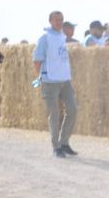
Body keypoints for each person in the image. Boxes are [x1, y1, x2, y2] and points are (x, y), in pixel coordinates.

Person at [33, 11, 78, 158]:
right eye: (56, 20)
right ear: (50, 21)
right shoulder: (45, 38)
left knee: (73, 109)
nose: (59, 22)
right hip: (50, 81)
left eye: (61, 20)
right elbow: (37, 60)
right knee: (54, 114)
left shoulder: (62, 37)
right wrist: (41, 77)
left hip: (64, 80)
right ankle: (56, 146)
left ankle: (64, 142)